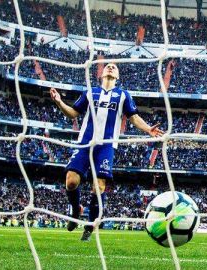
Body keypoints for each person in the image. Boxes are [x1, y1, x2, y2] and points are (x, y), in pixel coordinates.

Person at [50, 63, 164, 241]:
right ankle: (75, 209)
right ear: (101, 73)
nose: (111, 67)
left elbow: (133, 117)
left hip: (106, 146)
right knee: (71, 182)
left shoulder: (123, 95)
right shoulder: (90, 92)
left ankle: (89, 225)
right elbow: (73, 113)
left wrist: (148, 129)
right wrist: (59, 102)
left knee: (99, 186)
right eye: (108, 66)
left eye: (114, 67)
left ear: (117, 76)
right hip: (85, 143)